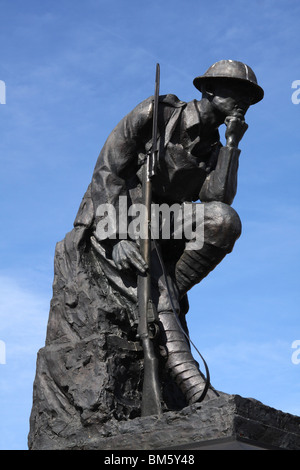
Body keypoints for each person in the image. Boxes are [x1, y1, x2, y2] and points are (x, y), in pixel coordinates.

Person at [72, 60, 263, 405]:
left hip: (164, 223)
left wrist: (232, 146)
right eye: (237, 91)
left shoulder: (215, 146)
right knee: (157, 282)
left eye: (250, 96)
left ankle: (167, 292)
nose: (244, 101)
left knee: (224, 221)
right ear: (208, 90)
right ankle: (191, 383)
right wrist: (115, 238)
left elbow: (216, 201)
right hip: (122, 216)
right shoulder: (157, 113)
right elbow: (107, 171)